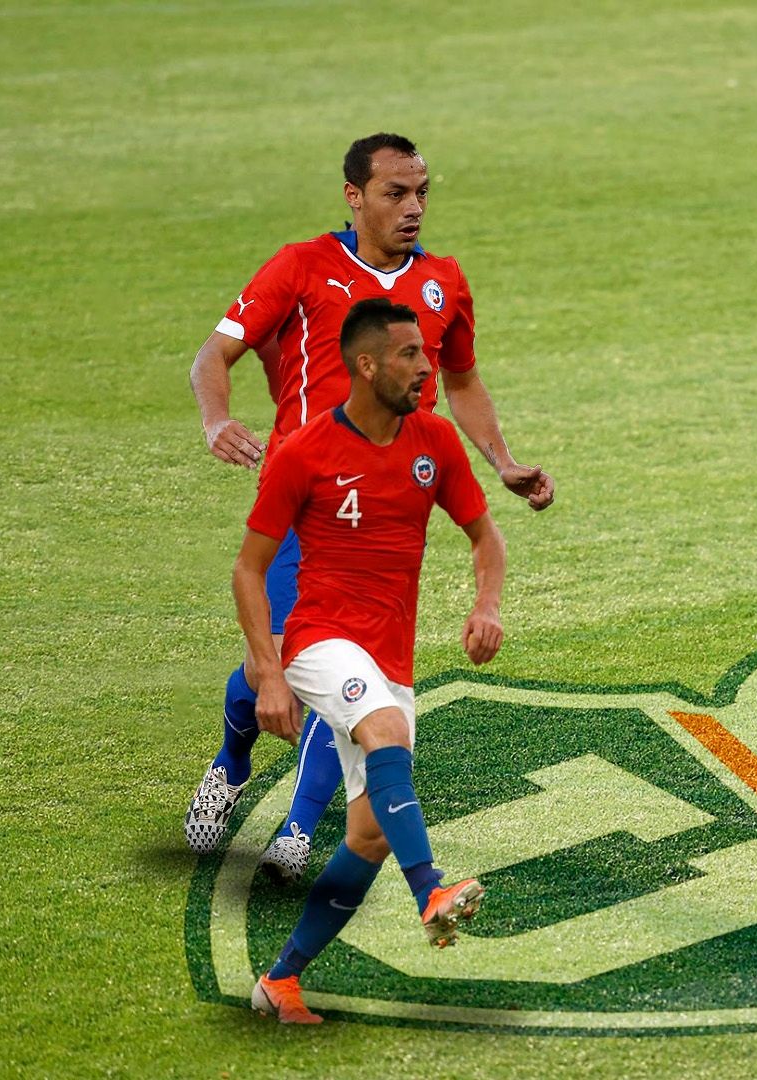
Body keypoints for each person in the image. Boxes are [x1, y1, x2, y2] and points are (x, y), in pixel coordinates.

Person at [183, 133, 552, 881]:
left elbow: (464, 382)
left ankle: (293, 834)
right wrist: (217, 420)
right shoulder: (302, 266)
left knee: (352, 677)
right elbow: (211, 356)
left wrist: (502, 461)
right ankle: (232, 761)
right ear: (354, 198)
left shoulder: (443, 283)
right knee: (275, 667)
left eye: (421, 193)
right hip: (302, 502)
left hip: (389, 514)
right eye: (395, 193)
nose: (413, 207)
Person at [238, 298, 503, 1024]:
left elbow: (486, 538)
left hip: (391, 656)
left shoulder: (435, 444)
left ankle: (281, 981)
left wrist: (486, 607)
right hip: (319, 638)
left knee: (368, 834)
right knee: (383, 727)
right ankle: (433, 892)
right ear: (367, 364)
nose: (426, 366)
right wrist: (266, 670)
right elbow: (249, 569)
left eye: (426, 353)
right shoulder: (306, 452)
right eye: (411, 354)